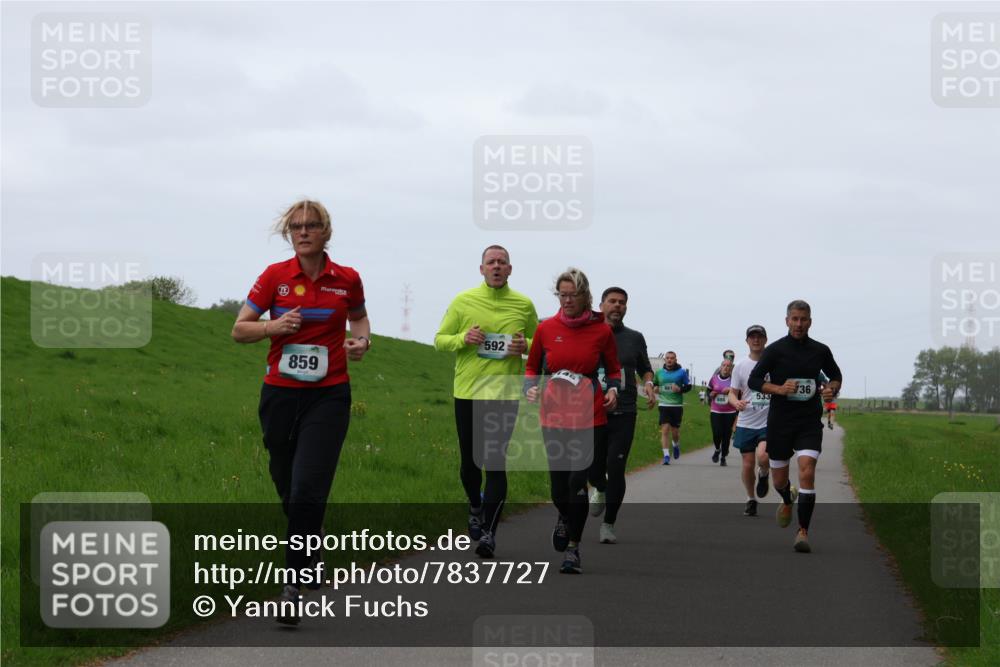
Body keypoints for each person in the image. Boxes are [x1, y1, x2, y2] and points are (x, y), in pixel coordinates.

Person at [233, 199, 370, 624]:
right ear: (288, 234)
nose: (304, 232)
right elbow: (239, 329)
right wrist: (272, 327)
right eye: (296, 227)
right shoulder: (275, 277)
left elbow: (360, 321)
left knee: (309, 486)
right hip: (279, 394)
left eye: (312, 225)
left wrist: (362, 343)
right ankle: (311, 545)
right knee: (286, 481)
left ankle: (291, 586)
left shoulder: (346, 279)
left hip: (329, 395)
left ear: (326, 232)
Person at [434, 245, 539, 558]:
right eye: (491, 262)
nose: (496, 267)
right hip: (468, 392)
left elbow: (539, 346)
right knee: (470, 463)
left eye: (502, 262)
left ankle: (490, 534)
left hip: (505, 394)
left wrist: (525, 345)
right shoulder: (463, 301)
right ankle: (475, 505)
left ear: (510, 269)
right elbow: (440, 340)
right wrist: (463, 339)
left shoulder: (523, 304)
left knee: (495, 464)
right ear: (481, 269)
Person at [525, 268, 621, 573]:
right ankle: (564, 517)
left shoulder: (601, 330)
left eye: (573, 295)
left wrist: (614, 390)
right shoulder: (545, 328)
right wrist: (530, 387)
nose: (567, 300)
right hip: (553, 413)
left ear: (585, 296)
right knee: (558, 489)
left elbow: (614, 369)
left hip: (589, 414)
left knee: (577, 482)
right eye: (562, 295)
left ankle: (573, 549)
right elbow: (531, 368)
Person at [749, 301, 842, 552]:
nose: (799, 324)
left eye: (803, 319)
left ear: (810, 321)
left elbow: (836, 376)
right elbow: (754, 380)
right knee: (780, 479)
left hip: (808, 422)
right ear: (787, 321)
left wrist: (832, 388)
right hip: (780, 422)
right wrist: (778, 389)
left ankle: (803, 532)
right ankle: (786, 498)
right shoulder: (776, 350)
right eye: (794, 319)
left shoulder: (820, 350)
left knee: (807, 469)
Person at [587, 287, 656, 544]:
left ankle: (609, 524)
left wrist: (648, 384)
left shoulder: (634, 338)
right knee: (592, 468)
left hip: (624, 411)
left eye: (622, 303)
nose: (617, 306)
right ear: (601, 304)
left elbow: (646, 369)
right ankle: (600, 487)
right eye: (612, 301)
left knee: (616, 467)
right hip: (592, 410)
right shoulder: (589, 332)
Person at [728, 325, 772, 516]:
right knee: (747, 463)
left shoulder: (774, 363)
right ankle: (750, 498)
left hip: (768, 420)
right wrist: (736, 402)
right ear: (747, 341)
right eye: (752, 337)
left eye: (759, 337)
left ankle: (764, 473)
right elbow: (732, 393)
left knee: (763, 456)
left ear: (765, 340)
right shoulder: (740, 366)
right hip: (746, 420)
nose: (756, 340)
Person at [653, 351, 692, 464]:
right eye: (667, 358)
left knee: (675, 432)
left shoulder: (682, 372)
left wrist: (680, 389)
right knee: (664, 430)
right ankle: (666, 455)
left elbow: (688, 386)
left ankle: (675, 445)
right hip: (663, 404)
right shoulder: (659, 372)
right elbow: (655, 384)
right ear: (664, 360)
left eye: (672, 358)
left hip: (676, 405)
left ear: (676, 360)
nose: (669, 360)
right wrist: (655, 388)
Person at [707, 359, 737, 466]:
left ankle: (723, 457)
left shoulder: (734, 381)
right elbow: (709, 391)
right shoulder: (714, 379)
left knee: (726, 436)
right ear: (720, 367)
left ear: (731, 368)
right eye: (724, 365)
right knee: (716, 433)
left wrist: (730, 390)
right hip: (716, 410)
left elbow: (740, 394)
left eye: (728, 366)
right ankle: (717, 449)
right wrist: (711, 395)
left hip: (730, 412)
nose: (726, 367)